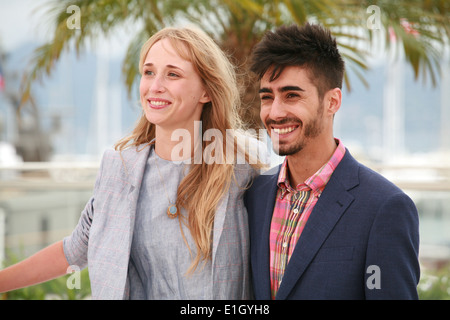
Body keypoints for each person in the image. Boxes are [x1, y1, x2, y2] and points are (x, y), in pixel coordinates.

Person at [0, 26, 265, 299]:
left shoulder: (242, 167)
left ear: (206, 92)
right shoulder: (119, 169)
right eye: (149, 72)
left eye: (172, 74)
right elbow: (76, 249)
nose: (155, 86)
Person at [244, 23, 420, 300]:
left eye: (292, 95)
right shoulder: (253, 195)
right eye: (268, 97)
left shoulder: (385, 207)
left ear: (332, 101)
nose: (275, 112)